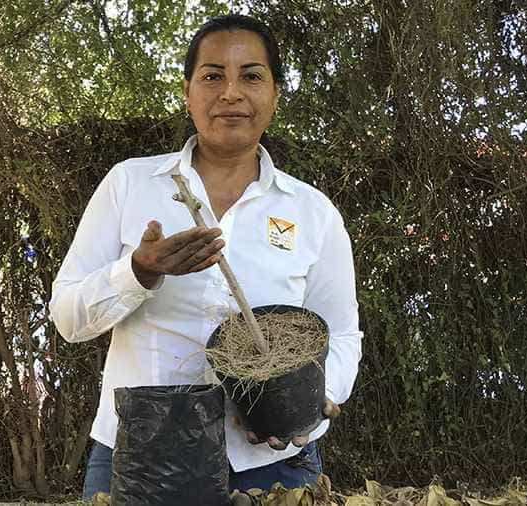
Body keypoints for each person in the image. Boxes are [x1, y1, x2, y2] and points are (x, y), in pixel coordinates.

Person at [49, 14, 362, 500]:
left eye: (252, 76)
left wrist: (314, 398)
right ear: (188, 91)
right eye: (213, 75)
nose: (231, 92)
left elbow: (340, 331)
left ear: (275, 93)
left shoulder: (312, 212)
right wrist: (140, 272)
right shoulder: (130, 185)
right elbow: (68, 317)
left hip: (271, 460)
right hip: (140, 458)